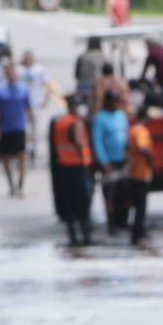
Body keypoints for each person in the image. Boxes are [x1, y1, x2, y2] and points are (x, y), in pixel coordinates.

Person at [48, 95, 96, 246]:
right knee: (84, 204)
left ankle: (73, 236)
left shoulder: (59, 123)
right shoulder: (75, 123)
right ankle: (86, 236)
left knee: (70, 205)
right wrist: (85, 159)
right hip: (78, 168)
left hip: (64, 168)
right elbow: (78, 142)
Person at [0, 59, 34, 197]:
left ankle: (20, 184)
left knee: (22, 156)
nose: (12, 75)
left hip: (19, 127)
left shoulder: (23, 89)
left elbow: (28, 109)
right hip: (5, 128)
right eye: (10, 73)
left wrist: (32, 128)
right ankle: (10, 184)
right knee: (6, 158)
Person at [90, 88, 130, 234]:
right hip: (109, 163)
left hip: (123, 161)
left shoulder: (121, 116)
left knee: (124, 193)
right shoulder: (100, 118)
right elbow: (98, 141)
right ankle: (111, 224)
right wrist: (103, 161)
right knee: (110, 195)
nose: (115, 104)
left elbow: (126, 135)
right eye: (113, 101)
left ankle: (123, 221)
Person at [122, 102, 155, 248]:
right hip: (141, 172)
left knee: (136, 205)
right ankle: (138, 233)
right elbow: (142, 148)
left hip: (133, 171)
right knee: (141, 206)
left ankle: (137, 232)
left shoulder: (131, 129)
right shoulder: (141, 131)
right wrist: (150, 159)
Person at [73, 37, 106, 102]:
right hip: (97, 89)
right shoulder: (103, 57)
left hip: (82, 87)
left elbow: (76, 75)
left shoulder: (82, 56)